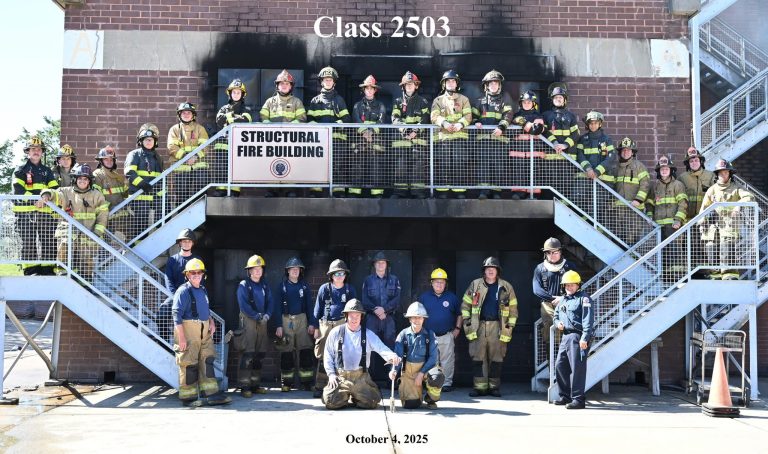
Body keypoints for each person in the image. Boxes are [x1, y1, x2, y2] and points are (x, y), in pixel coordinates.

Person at [172, 258, 231, 406]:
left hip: (204, 331)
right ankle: (188, 397)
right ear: (187, 275)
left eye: (199, 272)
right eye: (193, 273)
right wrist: (182, 338)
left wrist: (210, 321)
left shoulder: (203, 289)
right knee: (189, 363)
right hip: (188, 330)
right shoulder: (183, 291)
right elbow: (176, 315)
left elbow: (205, 308)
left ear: (203, 274)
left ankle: (211, 394)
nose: (196, 275)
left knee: (207, 360)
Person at [322, 299, 401, 410]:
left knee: (372, 402)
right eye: (351, 316)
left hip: (360, 377)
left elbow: (381, 348)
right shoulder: (336, 332)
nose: (354, 319)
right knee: (330, 401)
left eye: (357, 316)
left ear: (361, 317)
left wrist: (392, 356)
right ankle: (344, 396)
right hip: (341, 377)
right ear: (346, 316)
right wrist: (331, 374)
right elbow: (328, 354)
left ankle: (357, 396)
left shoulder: (368, 334)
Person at [461, 256, 518, 397]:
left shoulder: (506, 287)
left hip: (498, 327)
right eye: (488, 269)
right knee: (477, 358)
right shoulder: (475, 285)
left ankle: (494, 388)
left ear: (497, 271)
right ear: (484, 271)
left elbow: (513, 310)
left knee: (496, 359)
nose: (490, 271)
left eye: (493, 268)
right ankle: (479, 388)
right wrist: (468, 325)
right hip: (478, 326)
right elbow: (465, 305)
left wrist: (508, 328)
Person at [40, 163, 108, 279]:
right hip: (68, 234)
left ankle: (85, 286)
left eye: (85, 179)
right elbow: (55, 194)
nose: (82, 181)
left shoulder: (97, 195)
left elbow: (102, 216)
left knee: (87, 262)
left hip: (88, 235)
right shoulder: (66, 191)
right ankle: (62, 279)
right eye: (80, 178)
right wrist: (46, 194)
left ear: (89, 181)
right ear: (75, 179)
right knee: (64, 253)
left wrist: (97, 233)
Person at [697, 159, 754, 280]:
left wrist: (738, 206)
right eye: (721, 172)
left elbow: (749, 196)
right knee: (711, 247)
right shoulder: (712, 189)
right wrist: (702, 222)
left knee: (727, 246)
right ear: (717, 174)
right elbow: (704, 208)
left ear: (730, 173)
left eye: (726, 172)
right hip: (713, 226)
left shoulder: (736, 187)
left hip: (730, 224)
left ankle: (729, 274)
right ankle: (715, 275)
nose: (723, 174)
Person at [12, 136, 59, 275]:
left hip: (44, 213)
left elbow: (55, 189)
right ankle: (31, 270)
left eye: (39, 149)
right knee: (28, 241)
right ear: (28, 151)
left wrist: (47, 196)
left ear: (42, 152)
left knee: (48, 240)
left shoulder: (47, 171)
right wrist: (35, 201)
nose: (36, 151)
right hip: (25, 214)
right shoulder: (20, 169)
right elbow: (18, 190)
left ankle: (47, 269)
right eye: (33, 149)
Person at [312, 259, 357, 397]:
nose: (339, 276)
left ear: (345, 275)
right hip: (325, 325)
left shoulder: (350, 290)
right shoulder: (324, 289)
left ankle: (340, 386)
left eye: (341, 273)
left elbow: (355, 311)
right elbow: (317, 309)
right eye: (336, 273)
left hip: (343, 325)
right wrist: (315, 327)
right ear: (331, 275)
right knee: (323, 355)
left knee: (341, 354)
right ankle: (320, 386)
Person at [260, 70, 307, 198]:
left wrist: (291, 127)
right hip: (273, 140)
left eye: (287, 83)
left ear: (291, 86)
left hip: (290, 140)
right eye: (281, 83)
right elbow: (263, 115)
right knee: (271, 163)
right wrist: (267, 123)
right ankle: (271, 190)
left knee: (291, 164)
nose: (284, 85)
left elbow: (302, 118)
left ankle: (289, 190)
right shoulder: (270, 102)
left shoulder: (297, 102)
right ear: (277, 85)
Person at [389, 302, 444, 409]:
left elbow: (433, 358)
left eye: (420, 318)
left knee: (437, 376)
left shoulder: (430, 335)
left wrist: (421, 373)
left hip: (425, 369)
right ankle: (416, 397)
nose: (417, 320)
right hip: (409, 372)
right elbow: (398, 356)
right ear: (409, 319)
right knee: (412, 404)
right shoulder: (403, 335)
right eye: (414, 317)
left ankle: (430, 399)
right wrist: (394, 370)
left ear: (424, 319)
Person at [553, 270, 594, 410]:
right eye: (566, 285)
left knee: (578, 368)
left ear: (578, 285)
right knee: (560, 365)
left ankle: (578, 399)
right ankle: (565, 396)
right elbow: (556, 315)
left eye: (572, 285)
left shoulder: (584, 299)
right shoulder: (563, 299)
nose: (569, 287)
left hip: (578, 336)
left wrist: (585, 338)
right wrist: (557, 323)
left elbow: (588, 320)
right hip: (565, 336)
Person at [307, 66, 350, 197]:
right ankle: (316, 191)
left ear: (334, 82)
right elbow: (310, 121)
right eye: (326, 80)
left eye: (330, 80)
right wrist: (321, 130)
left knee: (338, 165)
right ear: (321, 82)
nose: (328, 82)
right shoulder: (315, 101)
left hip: (337, 140)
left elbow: (346, 119)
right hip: (320, 142)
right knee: (318, 165)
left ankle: (338, 192)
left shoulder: (339, 100)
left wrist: (334, 126)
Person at [274, 257, 316, 392]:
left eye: (297, 269)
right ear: (288, 271)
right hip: (286, 320)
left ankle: (307, 382)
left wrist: (312, 323)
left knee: (305, 350)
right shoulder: (282, 286)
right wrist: (278, 325)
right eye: (293, 269)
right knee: (286, 351)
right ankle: (286, 383)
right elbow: (277, 307)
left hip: (302, 319)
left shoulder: (304, 286)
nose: (295, 271)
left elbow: (310, 306)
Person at [236, 254, 274, 396]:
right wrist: (256, 316)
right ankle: (245, 387)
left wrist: (267, 315)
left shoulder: (265, 285)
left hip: (262, 321)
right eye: (255, 268)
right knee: (248, 353)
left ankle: (255, 384)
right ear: (249, 271)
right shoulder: (244, 286)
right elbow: (243, 305)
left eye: (260, 268)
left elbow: (270, 302)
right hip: (249, 321)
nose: (258, 271)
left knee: (259, 353)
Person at [472, 69, 514, 199]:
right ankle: (484, 191)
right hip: (483, 140)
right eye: (491, 83)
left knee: (498, 165)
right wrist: (476, 122)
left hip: (499, 139)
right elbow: (472, 115)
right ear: (487, 85)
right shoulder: (480, 100)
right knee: (483, 165)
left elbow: (508, 115)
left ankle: (496, 192)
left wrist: (501, 127)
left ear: (499, 85)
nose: (493, 85)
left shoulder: (505, 99)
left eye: (496, 83)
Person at [418, 267, 461, 392]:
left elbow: (460, 314)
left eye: (442, 282)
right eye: (436, 282)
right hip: (429, 336)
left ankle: (446, 383)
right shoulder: (424, 297)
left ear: (445, 284)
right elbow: (417, 315)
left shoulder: (452, 297)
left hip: (446, 335)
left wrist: (457, 329)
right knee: (431, 360)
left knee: (447, 361)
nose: (439, 284)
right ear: (431, 283)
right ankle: (431, 382)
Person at [431, 69, 472, 199]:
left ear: (456, 84)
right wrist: (445, 123)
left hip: (459, 138)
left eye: (453, 81)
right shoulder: (438, 100)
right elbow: (434, 116)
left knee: (459, 164)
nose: (450, 83)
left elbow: (468, 115)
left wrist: (460, 124)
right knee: (444, 164)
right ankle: (442, 192)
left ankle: (459, 192)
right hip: (443, 138)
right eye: (448, 81)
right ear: (444, 84)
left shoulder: (464, 99)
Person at [361, 251, 401, 383]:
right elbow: (364, 300)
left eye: (382, 262)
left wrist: (385, 310)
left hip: (388, 318)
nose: (380, 264)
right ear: (374, 265)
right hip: (372, 318)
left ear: (386, 264)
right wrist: (375, 310)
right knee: (370, 347)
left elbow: (397, 299)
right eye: (378, 262)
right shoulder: (368, 280)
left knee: (390, 347)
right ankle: (369, 379)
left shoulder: (394, 279)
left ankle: (392, 379)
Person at [602, 137, 650, 245]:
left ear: (632, 152)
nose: (625, 152)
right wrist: (610, 202)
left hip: (634, 209)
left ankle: (633, 260)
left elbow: (645, 185)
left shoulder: (639, 167)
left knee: (632, 237)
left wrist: (638, 200)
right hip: (617, 210)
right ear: (620, 152)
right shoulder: (615, 167)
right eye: (623, 150)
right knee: (617, 237)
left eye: (628, 150)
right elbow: (611, 186)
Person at [391, 71, 431, 199]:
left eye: (412, 83)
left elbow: (425, 118)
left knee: (418, 165)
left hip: (418, 141)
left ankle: (418, 192)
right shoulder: (397, 102)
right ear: (403, 86)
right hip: (402, 141)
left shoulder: (423, 102)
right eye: (407, 84)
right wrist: (405, 131)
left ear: (416, 86)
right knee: (400, 165)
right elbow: (395, 118)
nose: (409, 86)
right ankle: (399, 192)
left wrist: (415, 131)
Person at [158, 228, 203, 342]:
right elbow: (168, 279)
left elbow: (201, 280)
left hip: (193, 297)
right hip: (175, 297)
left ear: (192, 243)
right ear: (180, 243)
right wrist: (175, 296)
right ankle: (164, 343)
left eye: (189, 241)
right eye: (184, 241)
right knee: (161, 315)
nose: (186, 243)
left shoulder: (197, 260)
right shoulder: (173, 260)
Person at [532, 237, 576, 345]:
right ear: (545, 254)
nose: (552, 255)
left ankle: (567, 357)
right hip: (548, 304)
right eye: (549, 253)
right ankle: (551, 359)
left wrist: (563, 298)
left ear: (560, 252)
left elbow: (578, 286)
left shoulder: (569, 267)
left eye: (555, 252)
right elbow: (536, 289)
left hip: (567, 302)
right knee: (550, 330)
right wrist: (552, 299)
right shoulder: (540, 268)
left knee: (569, 329)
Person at [214, 78, 252, 197]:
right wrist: (234, 117)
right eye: (234, 92)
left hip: (238, 145)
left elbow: (246, 120)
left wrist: (229, 118)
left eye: (238, 92)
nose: (236, 94)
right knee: (221, 167)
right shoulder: (223, 108)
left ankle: (234, 190)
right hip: (223, 144)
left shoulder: (247, 109)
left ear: (242, 94)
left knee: (237, 168)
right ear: (230, 94)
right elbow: (219, 121)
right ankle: (221, 189)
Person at [351, 75, 387, 198]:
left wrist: (370, 132)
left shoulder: (381, 105)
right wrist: (365, 133)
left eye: (372, 88)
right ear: (364, 90)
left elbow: (381, 122)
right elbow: (356, 121)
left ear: (375, 90)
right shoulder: (357, 106)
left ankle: (377, 195)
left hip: (375, 141)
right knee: (357, 166)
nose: (369, 90)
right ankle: (355, 194)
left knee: (376, 167)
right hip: (360, 141)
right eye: (367, 88)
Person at [124, 127, 164, 238]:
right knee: (141, 228)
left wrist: (162, 196)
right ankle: (137, 249)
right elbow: (129, 172)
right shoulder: (134, 155)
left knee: (163, 219)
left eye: (151, 139)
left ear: (155, 142)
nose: (148, 142)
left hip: (154, 196)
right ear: (140, 141)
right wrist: (142, 184)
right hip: (139, 197)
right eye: (146, 139)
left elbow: (161, 178)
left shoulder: (158, 158)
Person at [167, 102, 209, 206]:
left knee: (201, 193)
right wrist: (185, 157)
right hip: (181, 168)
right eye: (183, 113)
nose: (186, 115)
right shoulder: (174, 130)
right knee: (182, 196)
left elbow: (205, 146)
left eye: (188, 113)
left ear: (193, 115)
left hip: (199, 167)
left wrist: (195, 157)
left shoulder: (200, 129)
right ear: (179, 115)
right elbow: (172, 147)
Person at [510, 90, 545, 198]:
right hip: (518, 150)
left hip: (534, 150)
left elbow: (537, 130)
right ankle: (519, 193)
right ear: (521, 103)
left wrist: (523, 123)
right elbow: (511, 132)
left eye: (529, 102)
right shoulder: (515, 116)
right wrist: (519, 121)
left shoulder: (539, 116)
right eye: (524, 102)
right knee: (518, 172)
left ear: (533, 104)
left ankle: (533, 194)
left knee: (533, 173)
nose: (526, 104)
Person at [92, 146, 130, 242]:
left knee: (133, 233)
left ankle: (129, 255)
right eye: (106, 159)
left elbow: (124, 194)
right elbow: (97, 198)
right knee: (105, 242)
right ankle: (103, 257)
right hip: (107, 216)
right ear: (101, 161)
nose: (109, 161)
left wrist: (129, 184)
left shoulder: (117, 176)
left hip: (122, 214)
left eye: (111, 159)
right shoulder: (97, 175)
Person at [646, 156, 688, 240]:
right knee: (660, 252)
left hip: (674, 225)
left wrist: (678, 220)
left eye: (666, 169)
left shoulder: (678, 185)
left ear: (671, 170)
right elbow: (649, 203)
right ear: (659, 171)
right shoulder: (655, 186)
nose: (664, 171)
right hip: (658, 226)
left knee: (674, 252)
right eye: (662, 169)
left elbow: (683, 204)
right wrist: (649, 216)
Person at [542, 83, 580, 160]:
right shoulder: (545, 115)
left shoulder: (571, 116)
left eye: (560, 97)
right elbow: (544, 132)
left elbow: (576, 134)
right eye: (555, 97)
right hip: (551, 155)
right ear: (552, 100)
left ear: (564, 100)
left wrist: (565, 145)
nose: (558, 99)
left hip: (568, 156)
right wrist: (555, 143)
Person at [678, 147, 715, 223]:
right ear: (688, 164)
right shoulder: (682, 178)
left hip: (705, 219)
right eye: (691, 161)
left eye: (696, 160)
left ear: (701, 162)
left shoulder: (711, 175)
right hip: (687, 221)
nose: (694, 163)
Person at [575, 111, 614, 181]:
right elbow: (580, 156)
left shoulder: (607, 139)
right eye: (591, 123)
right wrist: (588, 168)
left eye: (596, 123)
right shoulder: (582, 139)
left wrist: (597, 171)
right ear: (588, 125)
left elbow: (610, 158)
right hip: (585, 179)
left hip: (603, 180)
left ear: (600, 124)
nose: (593, 125)